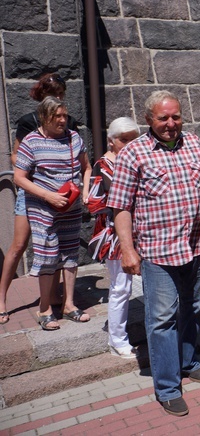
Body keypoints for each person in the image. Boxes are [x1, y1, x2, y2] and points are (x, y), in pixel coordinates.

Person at [108, 90, 200, 417]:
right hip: (158, 253)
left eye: (176, 117)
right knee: (162, 319)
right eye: (163, 118)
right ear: (148, 120)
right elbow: (121, 206)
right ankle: (167, 386)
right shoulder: (133, 154)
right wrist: (128, 250)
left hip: (197, 246)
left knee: (195, 307)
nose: (171, 124)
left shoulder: (195, 145)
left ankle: (185, 359)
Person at [0, 73, 78, 325]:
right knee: (18, 245)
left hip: (60, 195)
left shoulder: (69, 122)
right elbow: (15, 157)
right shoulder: (28, 122)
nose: (57, 99)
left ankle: (56, 298)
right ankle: (1, 299)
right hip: (32, 192)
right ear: (43, 96)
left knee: (58, 247)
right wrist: (36, 166)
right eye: (52, 94)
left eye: (60, 95)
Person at [13, 96, 92, 331]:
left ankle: (68, 305)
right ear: (45, 117)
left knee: (69, 253)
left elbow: (87, 167)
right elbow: (19, 178)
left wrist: (86, 191)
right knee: (47, 255)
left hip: (70, 205)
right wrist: (48, 196)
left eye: (64, 115)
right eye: (57, 116)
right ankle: (45, 309)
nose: (63, 120)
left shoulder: (73, 138)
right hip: (42, 207)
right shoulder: (31, 141)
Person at [87, 117, 141, 359]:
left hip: (141, 230)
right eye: (124, 140)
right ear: (111, 141)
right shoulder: (103, 166)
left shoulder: (138, 160)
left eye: (133, 139)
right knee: (121, 287)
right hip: (115, 234)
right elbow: (96, 203)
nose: (129, 144)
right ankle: (117, 339)